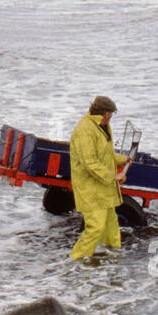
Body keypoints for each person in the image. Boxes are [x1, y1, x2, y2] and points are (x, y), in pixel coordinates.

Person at [68, 95, 131, 261]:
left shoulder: (102, 126)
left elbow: (105, 155)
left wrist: (121, 159)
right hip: (90, 188)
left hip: (103, 188)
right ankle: (77, 261)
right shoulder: (85, 130)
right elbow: (90, 162)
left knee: (111, 225)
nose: (110, 117)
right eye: (110, 114)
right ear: (104, 113)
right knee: (95, 227)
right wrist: (113, 176)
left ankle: (112, 257)